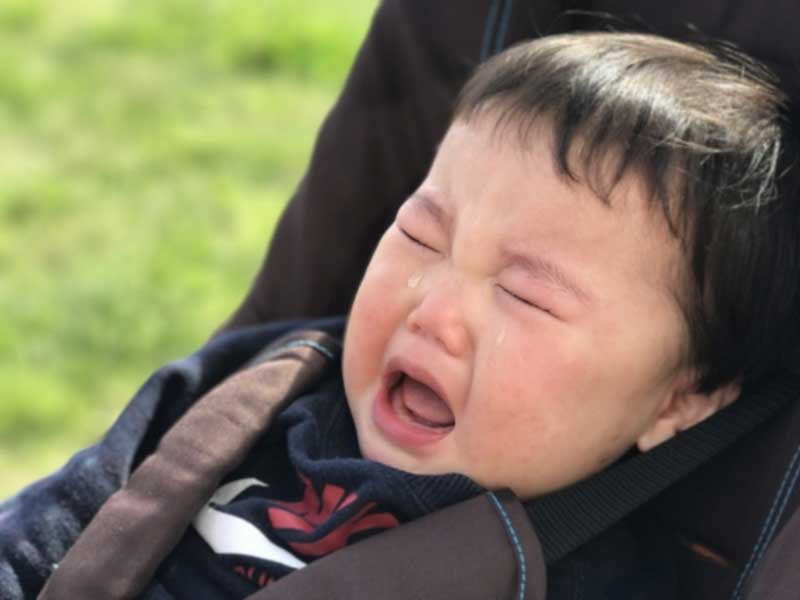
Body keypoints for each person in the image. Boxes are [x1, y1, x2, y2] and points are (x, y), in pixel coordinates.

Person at [5, 31, 800, 599]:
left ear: (675, 402)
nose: (436, 308)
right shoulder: (254, 388)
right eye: (422, 233)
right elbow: (48, 528)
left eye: (527, 294)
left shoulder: (587, 580)